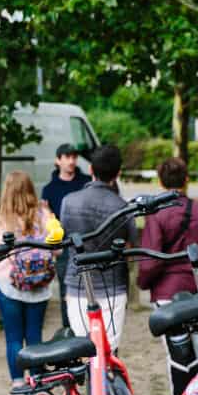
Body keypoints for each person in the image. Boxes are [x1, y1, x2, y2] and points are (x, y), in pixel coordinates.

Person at [139, 157, 198, 395]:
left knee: (175, 352)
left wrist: (144, 282)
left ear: (160, 181)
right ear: (186, 179)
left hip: (167, 292)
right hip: (195, 289)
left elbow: (150, 260)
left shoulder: (157, 213)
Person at [0, 171, 56, 391]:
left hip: (8, 284)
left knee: (14, 337)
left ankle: (18, 384)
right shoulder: (43, 216)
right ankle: (36, 383)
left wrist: (0, 265)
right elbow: (58, 248)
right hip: (40, 284)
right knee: (34, 335)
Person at [59, 144, 136, 349]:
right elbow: (129, 251)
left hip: (77, 285)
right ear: (118, 173)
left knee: (84, 351)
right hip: (113, 287)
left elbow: (64, 239)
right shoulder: (123, 208)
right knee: (108, 352)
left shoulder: (69, 202)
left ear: (91, 170)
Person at [41, 143, 91, 329]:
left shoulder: (85, 183)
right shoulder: (49, 189)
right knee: (66, 294)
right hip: (64, 249)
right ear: (58, 160)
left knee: (90, 292)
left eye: (73, 157)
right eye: (67, 157)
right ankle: (69, 332)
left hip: (86, 245)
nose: (71, 161)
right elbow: (49, 222)